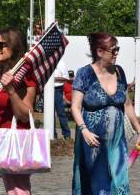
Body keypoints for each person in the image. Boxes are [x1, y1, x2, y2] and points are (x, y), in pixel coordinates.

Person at [72, 32, 140, 194]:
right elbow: (75, 106)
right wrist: (84, 130)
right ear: (99, 52)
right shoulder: (85, 73)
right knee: (96, 186)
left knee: (119, 183)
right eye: (113, 50)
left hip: (116, 142)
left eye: (118, 49)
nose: (117, 53)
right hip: (92, 142)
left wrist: (138, 128)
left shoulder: (119, 72)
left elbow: (127, 104)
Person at [0, 27, 37, 195]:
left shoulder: (25, 76)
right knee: (12, 190)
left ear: (14, 46)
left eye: (1, 45)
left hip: (18, 141)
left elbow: (26, 114)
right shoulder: (4, 73)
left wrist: (10, 89)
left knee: (19, 190)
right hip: (4, 139)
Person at [54, 59, 71, 139]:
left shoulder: (61, 63)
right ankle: (53, 134)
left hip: (57, 89)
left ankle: (66, 134)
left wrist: (53, 79)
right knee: (50, 114)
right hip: (47, 90)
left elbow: (66, 78)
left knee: (61, 113)